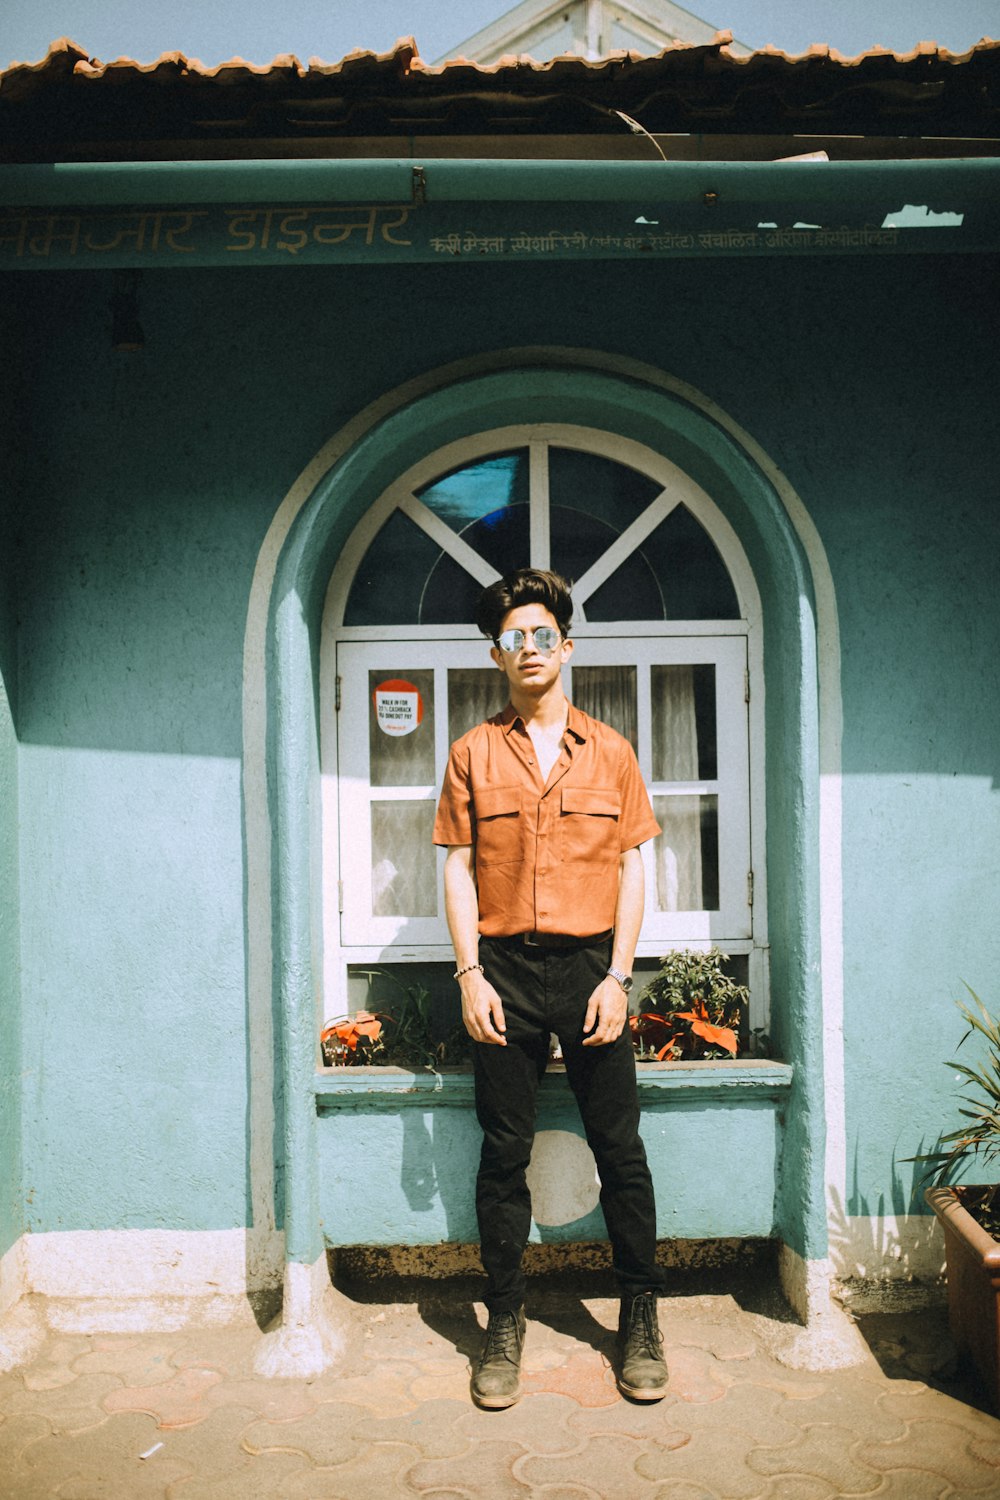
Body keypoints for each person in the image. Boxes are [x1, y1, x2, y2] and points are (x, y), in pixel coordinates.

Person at [432, 566, 668, 1409]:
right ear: (496, 655)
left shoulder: (611, 752)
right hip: (502, 973)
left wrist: (618, 976)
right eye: (510, 639)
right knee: (503, 1155)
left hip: (589, 970)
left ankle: (639, 1313)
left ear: (565, 647)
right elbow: (459, 872)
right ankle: (504, 1321)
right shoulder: (471, 753)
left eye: (541, 635)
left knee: (620, 1148)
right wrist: (468, 975)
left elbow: (634, 870)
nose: (527, 650)